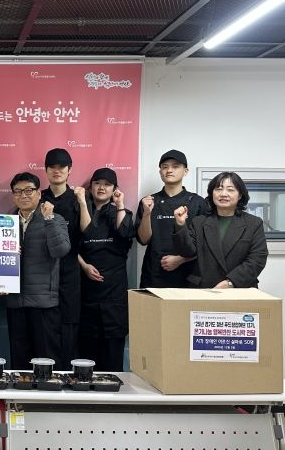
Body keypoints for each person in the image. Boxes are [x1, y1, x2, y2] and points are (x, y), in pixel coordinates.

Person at [6, 171, 69, 369]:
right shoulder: (5, 222)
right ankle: (20, 391)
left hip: (43, 303)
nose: (23, 195)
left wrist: (48, 219)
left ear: (39, 193)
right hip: (15, 302)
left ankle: (47, 391)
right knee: (19, 361)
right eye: (18, 191)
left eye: (28, 190)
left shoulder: (55, 218)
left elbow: (61, 250)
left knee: (47, 359)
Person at [75, 168, 135, 371]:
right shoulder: (80, 211)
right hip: (87, 293)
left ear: (115, 189)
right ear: (90, 187)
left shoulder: (122, 212)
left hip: (114, 293)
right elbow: (72, 246)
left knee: (112, 355)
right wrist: (84, 266)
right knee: (86, 355)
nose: (102, 187)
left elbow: (125, 233)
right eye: (97, 183)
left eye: (107, 184)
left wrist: (120, 204)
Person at [173, 171, 268, 288]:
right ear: (212, 193)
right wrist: (180, 224)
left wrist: (230, 283)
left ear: (240, 195)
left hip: (239, 288)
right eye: (218, 189)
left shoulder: (253, 223)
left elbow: (257, 259)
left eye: (230, 190)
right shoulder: (199, 222)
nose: (223, 194)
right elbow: (187, 252)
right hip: (204, 288)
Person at [136, 150, 207, 287]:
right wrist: (147, 213)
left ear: (185, 171)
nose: (169, 170)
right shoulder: (148, 201)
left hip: (188, 275)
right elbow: (144, 240)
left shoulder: (197, 202)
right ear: (160, 172)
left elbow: (205, 243)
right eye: (165, 167)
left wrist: (181, 259)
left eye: (175, 166)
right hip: (154, 273)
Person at [40, 148, 82, 368]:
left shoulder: (78, 199)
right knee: (46, 328)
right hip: (44, 272)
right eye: (52, 167)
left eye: (62, 167)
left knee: (69, 325)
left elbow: (86, 235)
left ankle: (68, 375)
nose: (57, 171)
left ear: (69, 170)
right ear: (46, 170)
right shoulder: (38, 197)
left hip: (70, 271)